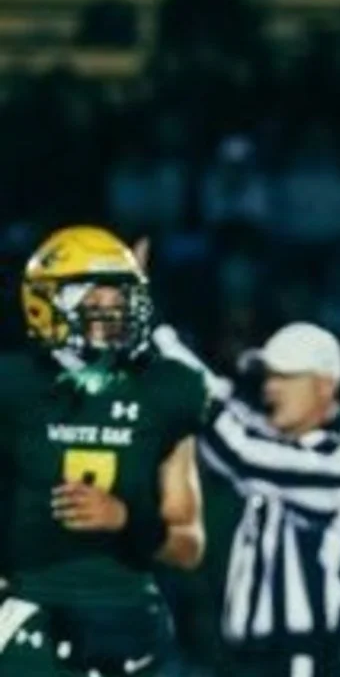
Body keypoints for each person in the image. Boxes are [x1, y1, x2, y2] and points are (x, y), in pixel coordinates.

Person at [0, 225, 206, 676]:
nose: (111, 310)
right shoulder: (13, 386)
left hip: (130, 619)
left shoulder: (166, 390)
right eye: (93, 296)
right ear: (43, 301)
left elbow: (188, 546)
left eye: (118, 296)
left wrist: (127, 519)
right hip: (30, 613)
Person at [153, 322, 340, 677]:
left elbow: (238, 451)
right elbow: (229, 405)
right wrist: (164, 343)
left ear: (325, 385)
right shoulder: (286, 447)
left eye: (285, 376)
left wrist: (164, 348)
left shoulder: (338, 460)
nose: (270, 386)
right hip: (258, 661)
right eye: (269, 376)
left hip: (303, 660)